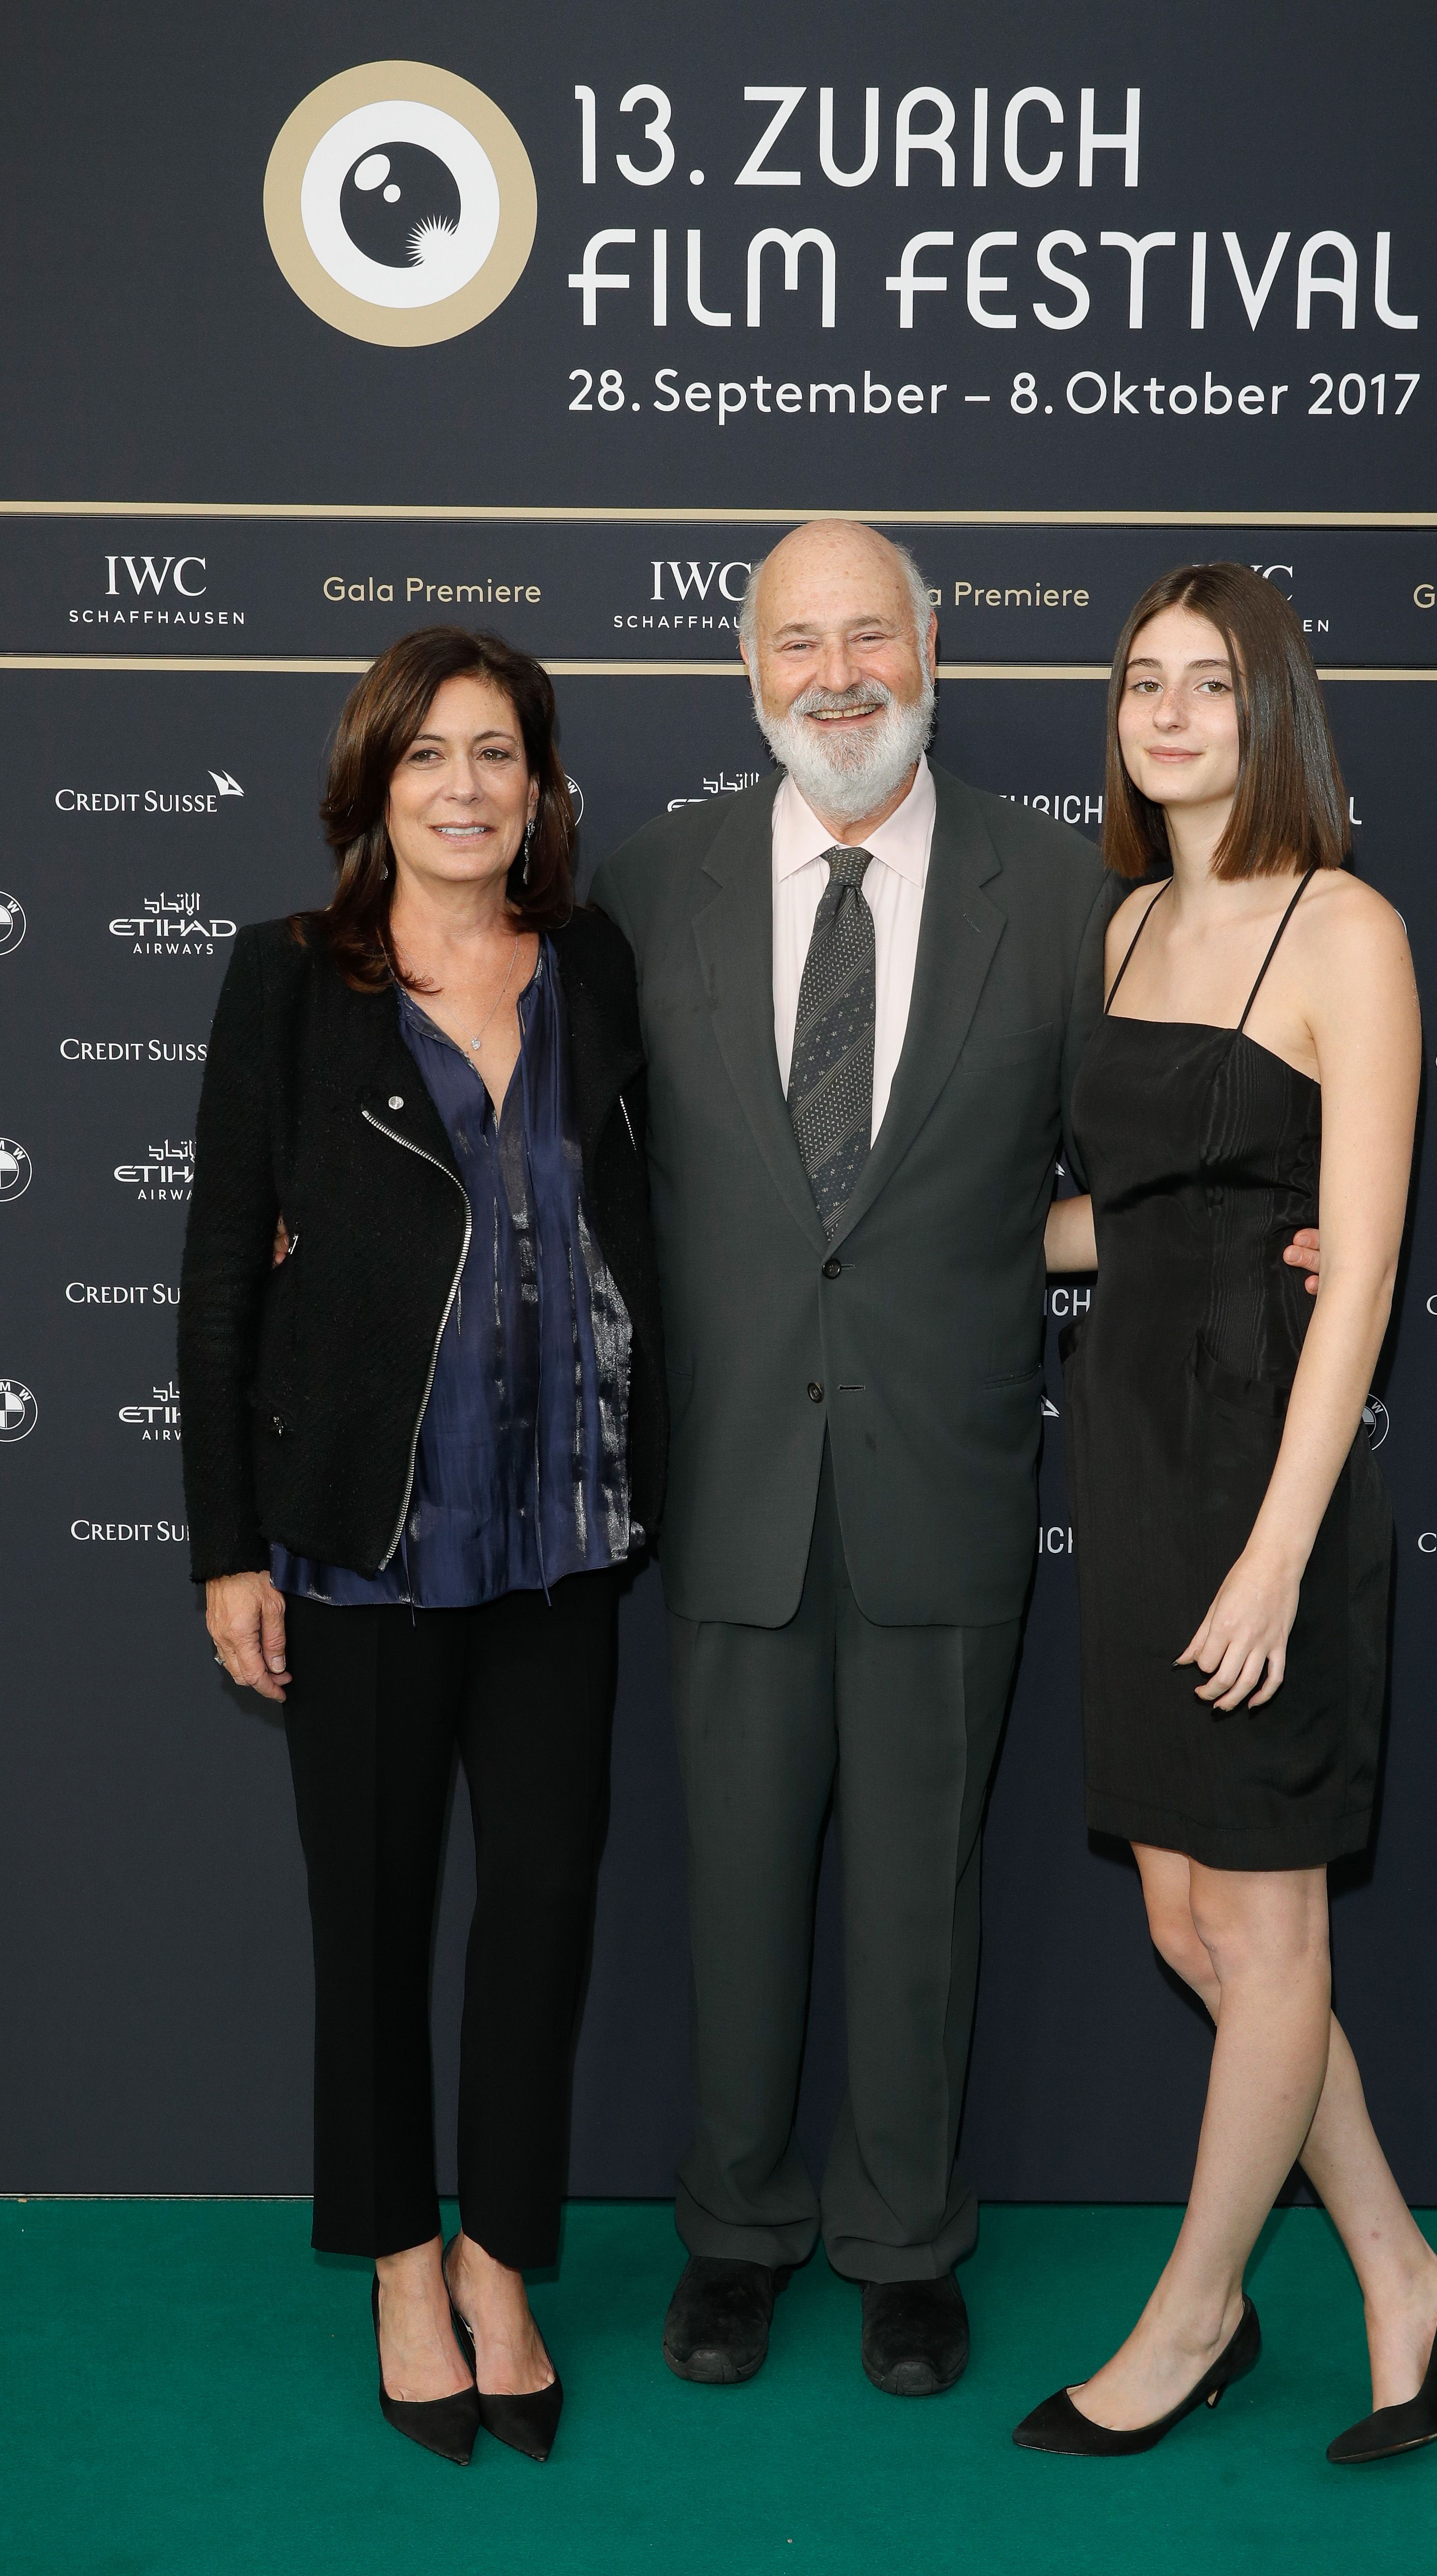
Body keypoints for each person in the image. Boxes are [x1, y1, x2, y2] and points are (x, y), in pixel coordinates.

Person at [590, 524, 1322, 2397]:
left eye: (870, 635)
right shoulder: (650, 883)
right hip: (733, 1479)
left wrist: (1266, 1237)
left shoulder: (1062, 892)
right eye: (793, 640)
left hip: (949, 1473)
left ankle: (906, 2242)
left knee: (923, 1894)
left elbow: (1158, 1146)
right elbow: (567, 1161)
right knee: (735, 1887)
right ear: (743, 666)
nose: (834, 674)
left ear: (935, 648)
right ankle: (739, 2232)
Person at [1015, 564, 1437, 2465]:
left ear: (1270, 710)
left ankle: (1194, 2313)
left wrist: (1279, 1547)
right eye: (1140, 682)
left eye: (1206, 684)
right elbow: (1120, 1213)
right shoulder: (1128, 919)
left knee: (1267, 1922)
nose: (1165, 714)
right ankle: (1398, 2271)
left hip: (1265, 1464)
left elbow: (1361, 1261)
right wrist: (910, 1226)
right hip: (1131, 1451)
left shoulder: (1348, 931)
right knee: (1187, 1920)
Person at [178, 627, 665, 2466]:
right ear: (374, 786)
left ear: (540, 788)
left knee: (540, 1912)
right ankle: (398, 2263)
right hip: (364, 1545)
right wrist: (229, 1547)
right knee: (372, 1925)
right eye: (428, 756)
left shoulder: (596, 968)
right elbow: (222, 1273)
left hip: (567, 1530)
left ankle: (505, 2269)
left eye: (498, 755)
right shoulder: (290, 986)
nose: (466, 787)